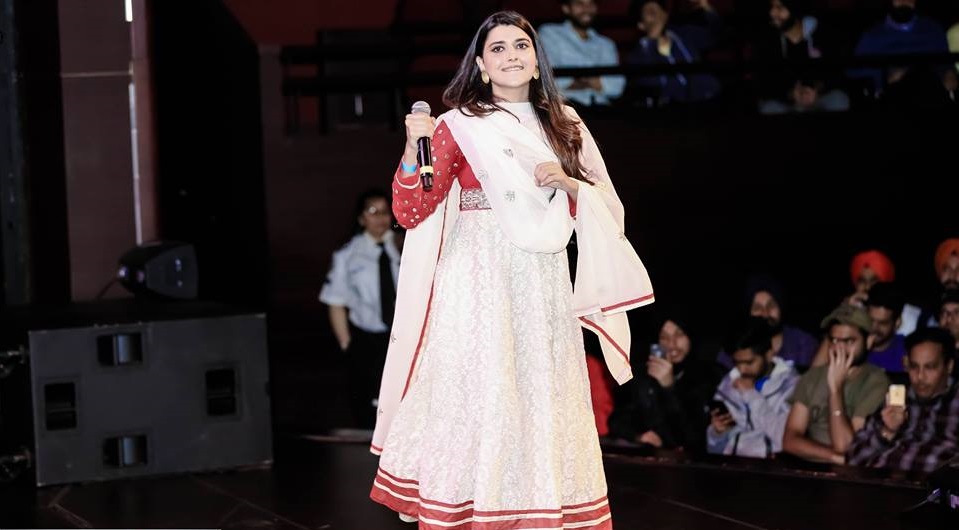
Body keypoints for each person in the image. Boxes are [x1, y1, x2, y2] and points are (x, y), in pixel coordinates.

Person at [369, 11, 655, 527]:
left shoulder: (566, 124)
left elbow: (608, 211)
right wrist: (413, 148)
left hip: (541, 281)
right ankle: (471, 509)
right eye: (497, 49)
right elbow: (411, 211)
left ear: (537, 60)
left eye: (521, 46)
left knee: (539, 390)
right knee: (479, 390)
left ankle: (537, 507)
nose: (511, 56)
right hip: (475, 281)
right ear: (481, 66)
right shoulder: (459, 126)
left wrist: (569, 185)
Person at [318, 189, 400, 429]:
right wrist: (347, 344)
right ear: (361, 218)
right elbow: (335, 300)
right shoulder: (348, 255)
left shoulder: (405, 245)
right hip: (367, 337)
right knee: (367, 401)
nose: (380, 217)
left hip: (401, 336)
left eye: (385, 211)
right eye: (373, 211)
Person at [782, 304, 890, 463]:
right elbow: (790, 440)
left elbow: (846, 446)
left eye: (848, 341)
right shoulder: (813, 376)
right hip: (812, 465)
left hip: (852, 470)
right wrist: (833, 456)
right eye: (834, 340)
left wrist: (835, 389)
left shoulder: (876, 381)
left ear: (869, 341)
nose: (839, 348)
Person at [608, 307, 724, 454]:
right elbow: (617, 420)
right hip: (649, 457)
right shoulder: (642, 373)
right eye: (664, 337)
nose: (672, 344)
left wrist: (669, 388)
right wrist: (638, 436)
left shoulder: (708, 375)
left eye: (679, 335)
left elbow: (693, 436)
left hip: (689, 461)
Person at [848, 327, 959, 473]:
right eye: (914, 366)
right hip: (880, 481)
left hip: (930, 484)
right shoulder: (896, 399)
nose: (920, 376)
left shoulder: (955, 403)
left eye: (930, 367)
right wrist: (887, 432)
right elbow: (853, 459)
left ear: (949, 366)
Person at [708, 317, 799, 458]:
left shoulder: (791, 385)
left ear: (769, 355)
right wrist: (716, 433)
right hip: (732, 465)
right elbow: (713, 449)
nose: (742, 369)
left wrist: (751, 395)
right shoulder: (728, 384)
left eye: (749, 363)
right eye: (737, 362)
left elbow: (784, 438)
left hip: (771, 466)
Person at [538, 0, 626, 107]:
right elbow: (549, 81)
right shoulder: (549, 33)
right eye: (579, 3)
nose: (586, 8)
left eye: (591, 3)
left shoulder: (606, 44)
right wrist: (596, 82)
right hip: (564, 107)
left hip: (601, 108)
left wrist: (576, 80)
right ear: (566, 8)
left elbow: (617, 87)